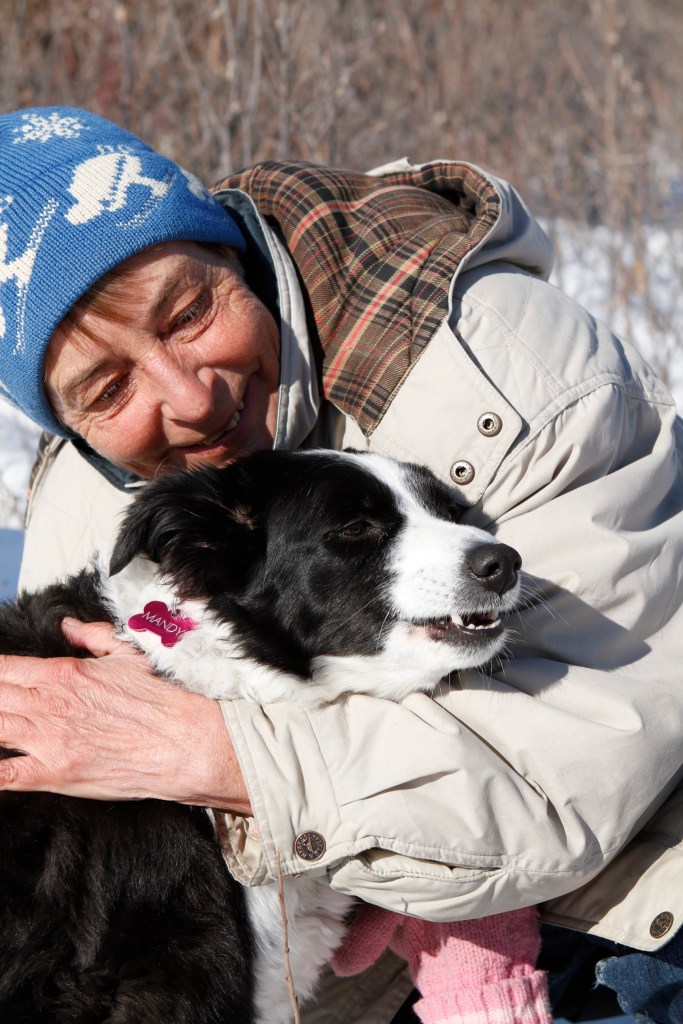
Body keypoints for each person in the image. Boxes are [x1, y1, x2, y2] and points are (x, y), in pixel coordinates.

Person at [0, 105, 682, 1024]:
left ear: (229, 255)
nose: (190, 398)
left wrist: (217, 757)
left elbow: (572, 768)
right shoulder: (94, 495)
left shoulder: (510, 380)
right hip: (344, 965)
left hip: (606, 907)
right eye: (109, 388)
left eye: (189, 313)